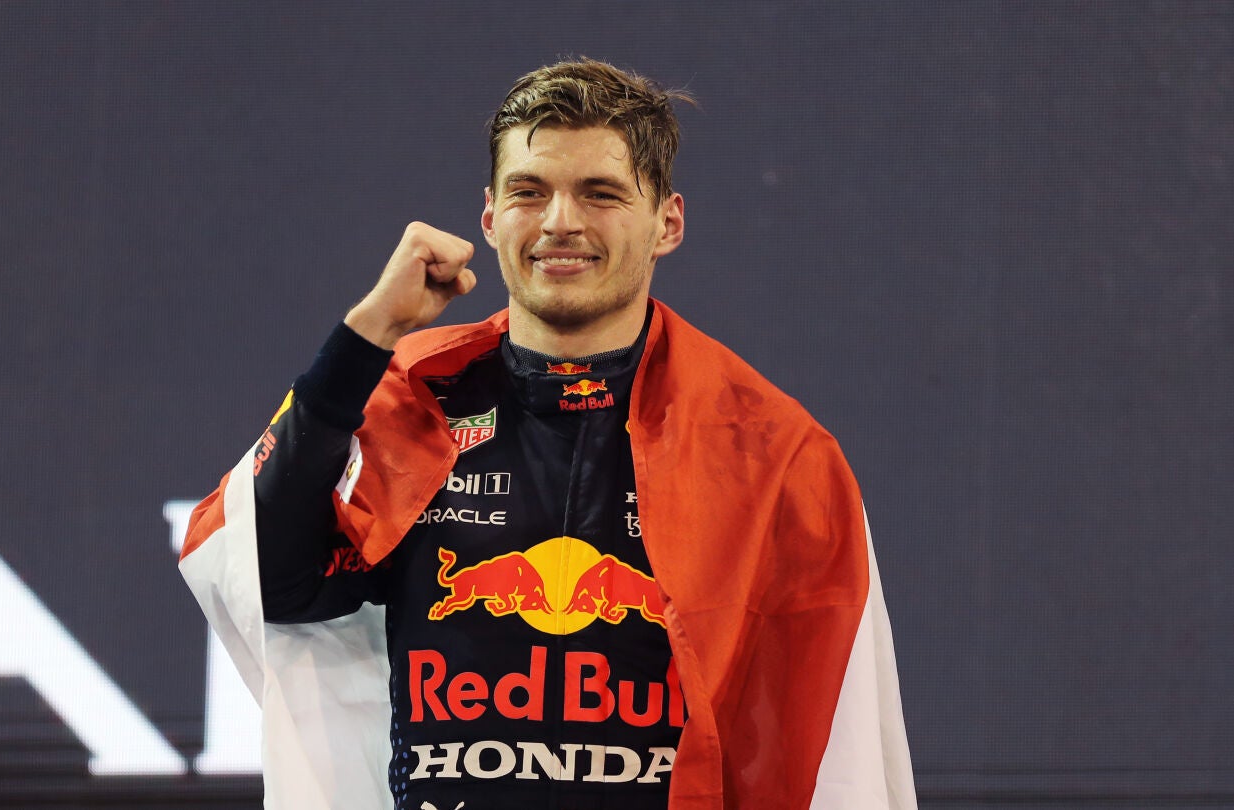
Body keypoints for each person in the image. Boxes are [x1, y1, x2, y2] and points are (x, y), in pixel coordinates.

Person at [180, 58, 916, 810]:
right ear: (491, 217)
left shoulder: (768, 451)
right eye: (529, 192)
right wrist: (366, 336)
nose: (560, 221)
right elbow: (268, 583)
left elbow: (831, 739)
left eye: (600, 193)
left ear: (667, 223)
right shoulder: (409, 397)